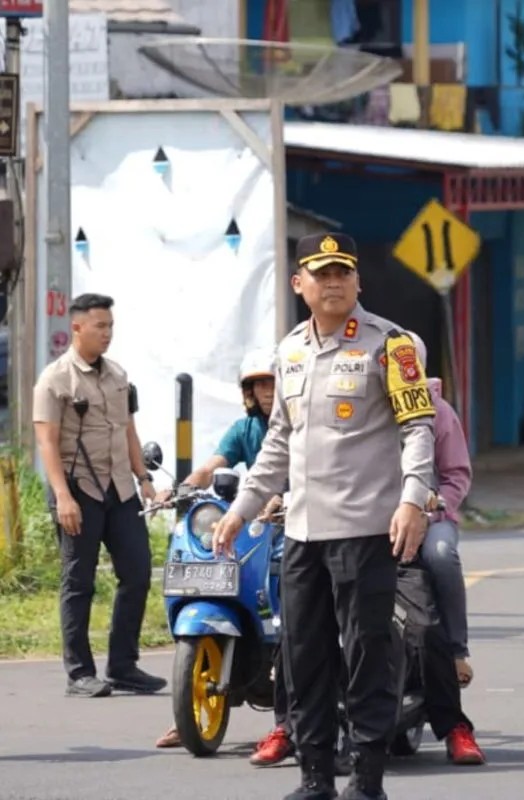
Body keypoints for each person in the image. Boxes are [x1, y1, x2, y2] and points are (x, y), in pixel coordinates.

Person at [212, 232, 436, 800]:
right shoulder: (289, 351)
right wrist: (240, 509)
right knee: (303, 656)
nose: (333, 282)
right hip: (302, 531)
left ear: (358, 280)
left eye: (343, 272)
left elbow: (417, 429)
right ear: (299, 283)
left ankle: (367, 779)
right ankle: (315, 776)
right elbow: (278, 443)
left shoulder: (393, 345)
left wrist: (413, 499)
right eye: (321, 273)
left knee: (366, 655)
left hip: (365, 528)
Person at [251, 330, 484, 769]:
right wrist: (274, 498)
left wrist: (424, 503)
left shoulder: (431, 414)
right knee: (297, 630)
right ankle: (286, 726)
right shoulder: (339, 405)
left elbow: (449, 472)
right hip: (337, 542)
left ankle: (454, 725)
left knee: (424, 626)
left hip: (401, 546)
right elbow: (300, 458)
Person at [154, 348, 288, 756]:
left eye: (271, 382)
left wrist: (282, 498)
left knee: (287, 583)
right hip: (257, 517)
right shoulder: (245, 429)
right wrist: (179, 489)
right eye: (258, 385)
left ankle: (291, 696)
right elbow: (211, 466)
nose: (266, 391)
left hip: (295, 519)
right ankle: (187, 712)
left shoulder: (299, 423)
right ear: (249, 391)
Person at [32, 293, 166, 698]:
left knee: (138, 574)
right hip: (79, 491)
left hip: (120, 489)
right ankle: (79, 673)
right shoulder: (55, 380)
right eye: (100, 326)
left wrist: (143, 478)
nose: (107, 334)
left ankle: (123, 666)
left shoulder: (117, 375)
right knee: (79, 582)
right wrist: (62, 497)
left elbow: (127, 430)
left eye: (110, 326)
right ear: (77, 328)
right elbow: (47, 443)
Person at [407, 331, 474, 688]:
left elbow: (456, 475)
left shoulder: (440, 412)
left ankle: (455, 650)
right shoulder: (365, 412)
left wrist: (433, 507)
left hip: (432, 518)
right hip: (374, 516)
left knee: (441, 553)